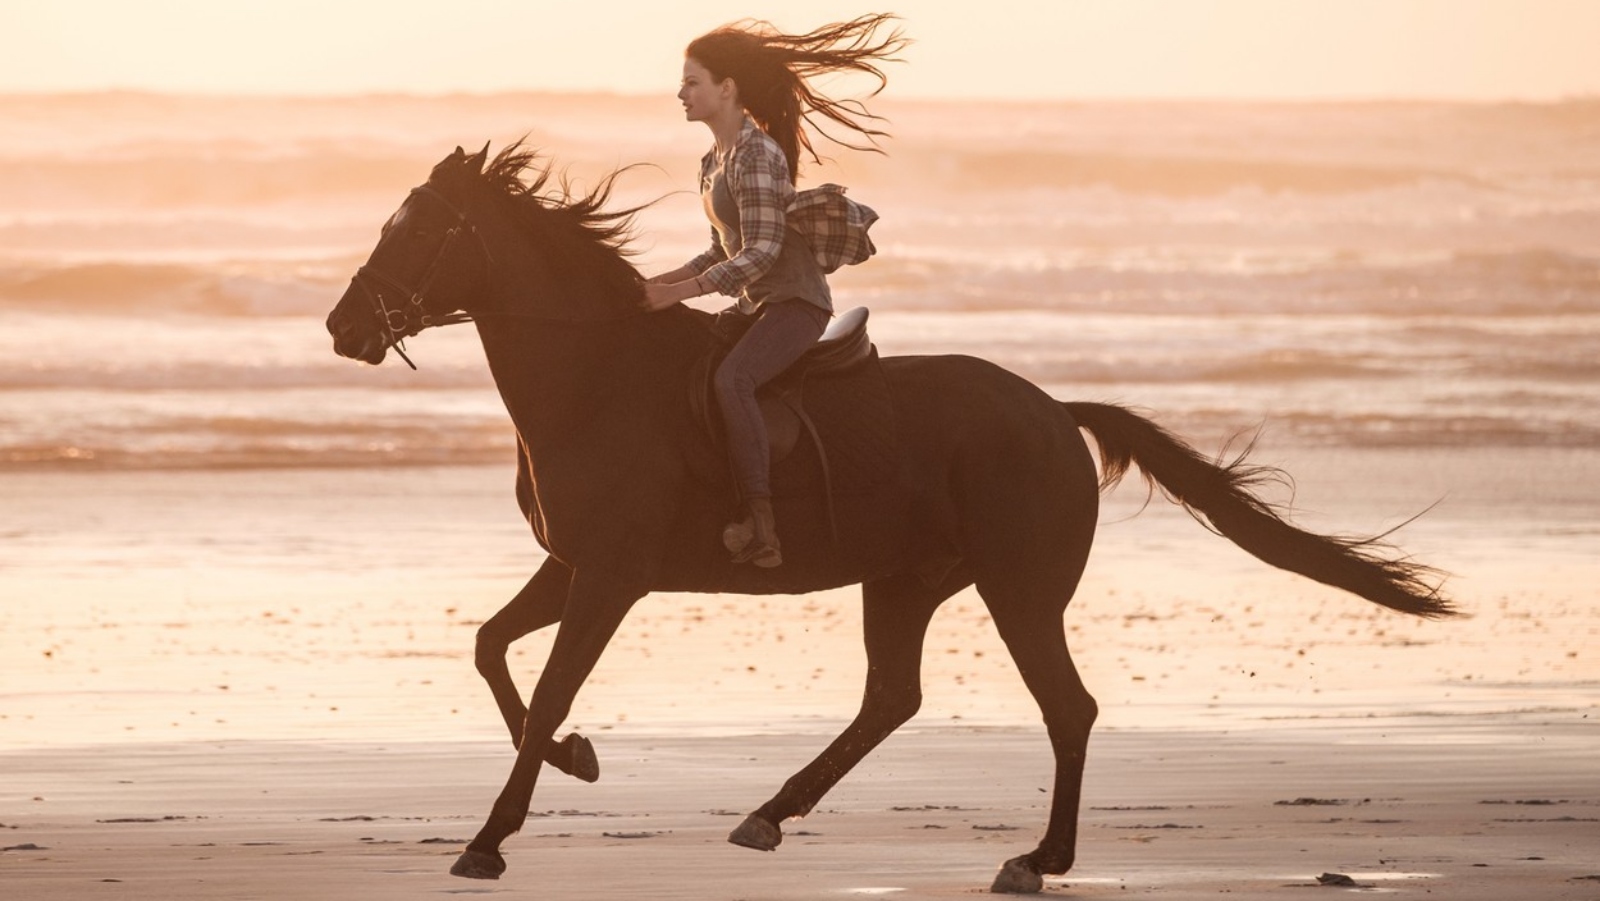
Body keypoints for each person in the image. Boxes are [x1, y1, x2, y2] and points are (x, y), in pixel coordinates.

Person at [641, 14, 903, 568]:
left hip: (794, 304)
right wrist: (657, 284)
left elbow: (760, 250)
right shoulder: (715, 160)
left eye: (692, 82)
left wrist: (685, 291)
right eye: (683, 83)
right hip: (755, 303)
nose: (680, 93)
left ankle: (763, 525)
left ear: (726, 88)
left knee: (733, 379)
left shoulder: (758, 154)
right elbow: (722, 248)